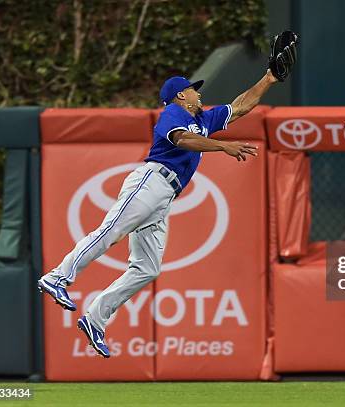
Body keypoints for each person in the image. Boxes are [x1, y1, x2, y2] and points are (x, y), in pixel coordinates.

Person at [38, 69, 280, 358]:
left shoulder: (202, 120)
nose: (198, 93)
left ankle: (95, 319)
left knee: (147, 268)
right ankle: (58, 277)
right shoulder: (173, 115)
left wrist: (268, 79)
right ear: (181, 96)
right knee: (110, 231)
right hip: (151, 181)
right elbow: (182, 140)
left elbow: (241, 105)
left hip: (165, 196)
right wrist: (223, 146)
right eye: (193, 90)